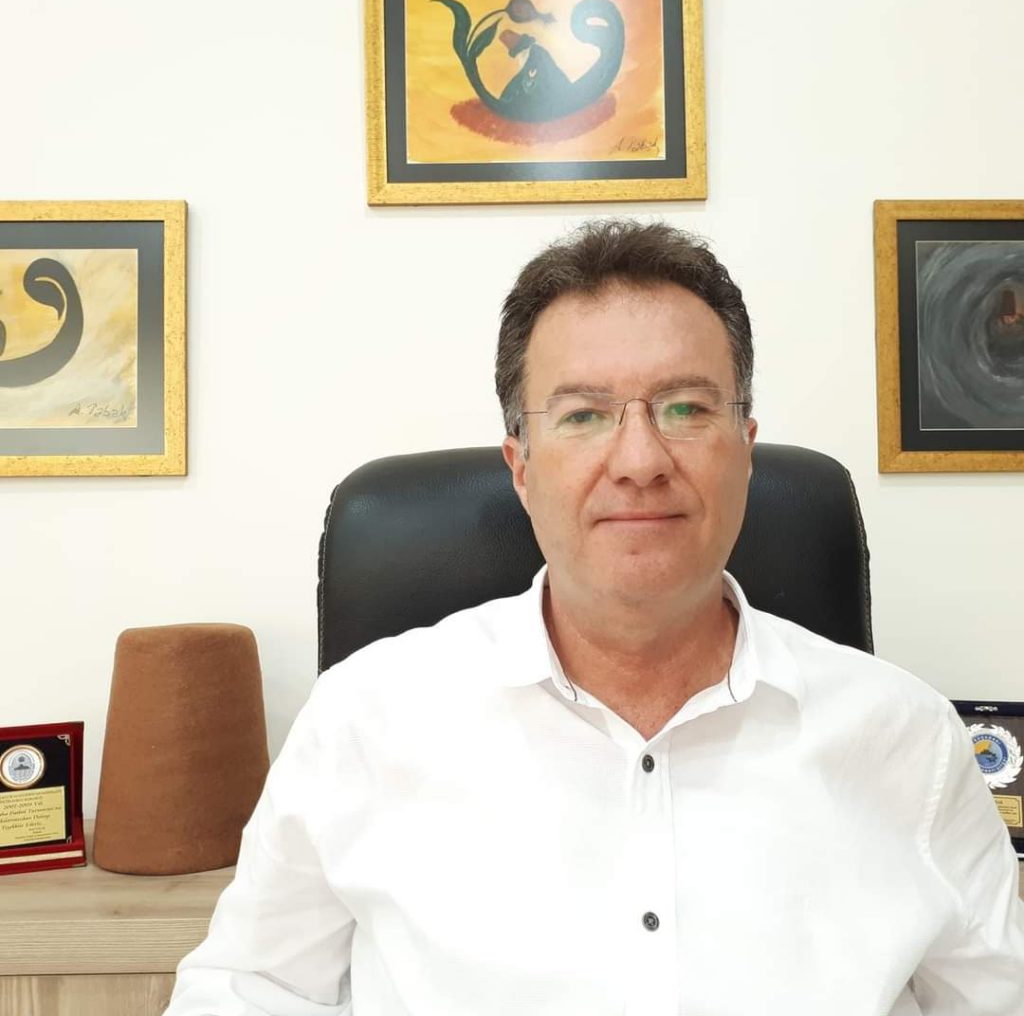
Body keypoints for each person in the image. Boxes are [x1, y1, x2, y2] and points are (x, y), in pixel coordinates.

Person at [164, 220, 1024, 1015]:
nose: (640, 460)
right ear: (521, 467)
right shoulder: (367, 719)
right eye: (583, 415)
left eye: (686, 408)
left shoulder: (907, 738)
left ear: (745, 451)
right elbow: (242, 990)